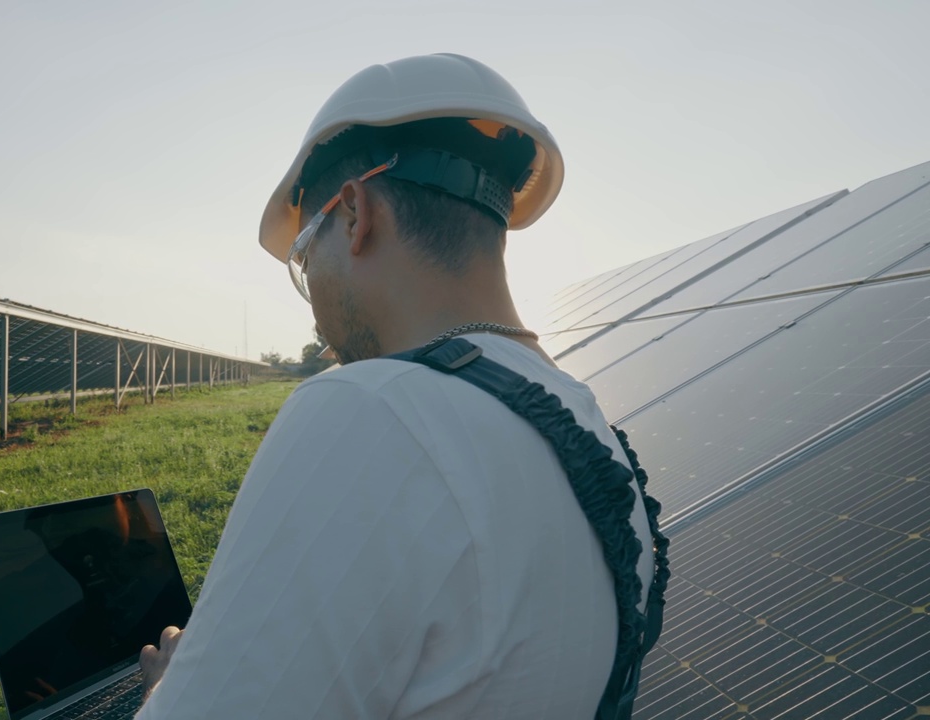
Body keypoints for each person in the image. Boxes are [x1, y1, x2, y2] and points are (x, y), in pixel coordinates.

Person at [135, 53, 658, 719]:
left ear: (355, 213)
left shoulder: (369, 409)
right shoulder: (591, 429)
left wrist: (161, 692)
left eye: (304, 257)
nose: (313, 304)